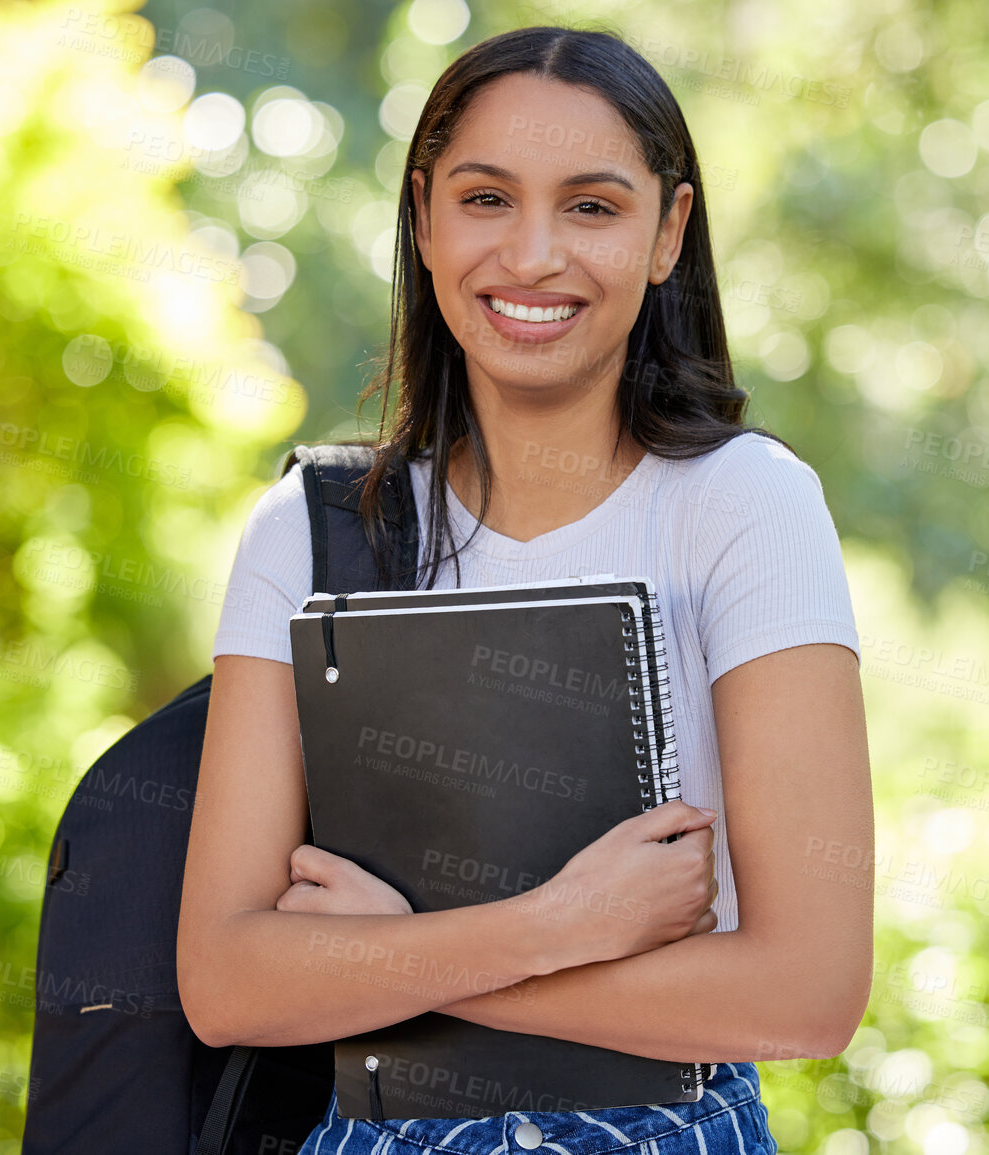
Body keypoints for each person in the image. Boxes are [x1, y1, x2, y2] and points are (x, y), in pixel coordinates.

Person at [179, 24, 874, 1155]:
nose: (533, 256)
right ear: (422, 218)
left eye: (592, 207)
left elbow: (807, 992)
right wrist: (566, 925)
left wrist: (396, 963)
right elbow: (228, 979)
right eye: (486, 199)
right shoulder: (310, 532)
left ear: (669, 234)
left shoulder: (748, 507)